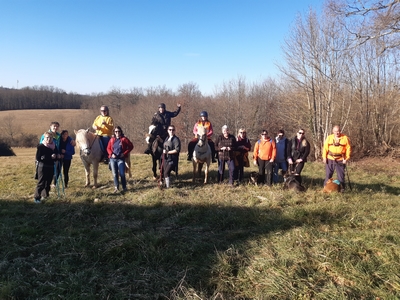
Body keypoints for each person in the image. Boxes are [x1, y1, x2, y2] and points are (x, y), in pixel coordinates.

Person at [39, 121, 75, 186]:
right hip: (48, 156)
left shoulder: (58, 135)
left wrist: (71, 140)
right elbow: (41, 145)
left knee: (57, 170)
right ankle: (45, 184)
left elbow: (66, 136)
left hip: (57, 155)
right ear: (50, 126)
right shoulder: (45, 135)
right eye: (54, 126)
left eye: (57, 126)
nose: (55, 127)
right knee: (49, 170)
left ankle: (53, 184)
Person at [322, 125, 351, 191]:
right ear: (333, 131)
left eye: (338, 131)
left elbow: (348, 149)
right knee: (328, 175)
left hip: (340, 159)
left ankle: (342, 189)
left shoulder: (345, 138)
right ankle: (325, 188)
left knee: (341, 176)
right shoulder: (329, 138)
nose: (337, 133)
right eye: (335, 131)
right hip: (330, 158)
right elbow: (325, 148)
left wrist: (346, 158)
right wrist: (324, 157)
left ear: (340, 131)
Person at [34, 132, 60, 203]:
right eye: (47, 137)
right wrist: (50, 157)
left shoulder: (54, 146)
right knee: (41, 183)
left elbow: (56, 156)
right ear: (44, 138)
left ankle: (45, 196)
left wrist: (57, 156)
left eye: (50, 138)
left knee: (48, 182)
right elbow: (38, 158)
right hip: (42, 167)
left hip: (51, 166)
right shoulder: (41, 146)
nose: (49, 139)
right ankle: (37, 197)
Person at [107, 126, 134, 193]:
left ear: (121, 132)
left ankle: (124, 188)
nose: (117, 133)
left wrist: (124, 153)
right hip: (113, 159)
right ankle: (116, 188)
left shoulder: (124, 139)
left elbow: (131, 146)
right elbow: (108, 148)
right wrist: (111, 154)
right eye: (116, 131)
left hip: (121, 159)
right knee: (115, 174)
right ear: (114, 132)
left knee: (122, 174)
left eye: (119, 131)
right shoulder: (112, 139)